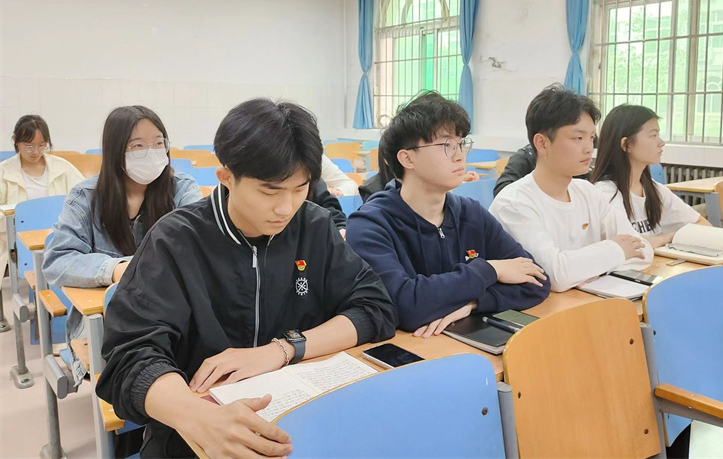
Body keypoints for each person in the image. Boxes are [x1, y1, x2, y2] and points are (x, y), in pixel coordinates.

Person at [96, 98, 396, 459]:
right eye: (270, 190)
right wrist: (199, 418)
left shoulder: (313, 226)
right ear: (226, 177)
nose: (286, 208)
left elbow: (374, 308)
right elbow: (131, 357)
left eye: (299, 189)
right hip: (197, 437)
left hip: (300, 425)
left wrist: (282, 350)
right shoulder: (175, 240)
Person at [347, 91, 549, 336]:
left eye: (461, 143)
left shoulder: (471, 213)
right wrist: (491, 270)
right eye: (446, 145)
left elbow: (537, 281)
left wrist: (474, 303)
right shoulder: (370, 225)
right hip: (412, 349)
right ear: (407, 158)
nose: (460, 155)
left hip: (464, 340)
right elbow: (405, 306)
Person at [43, 106, 202, 382]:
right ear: (116, 151)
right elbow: (57, 261)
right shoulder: (86, 197)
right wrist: (115, 269)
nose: (151, 152)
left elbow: (198, 248)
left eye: (158, 143)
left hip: (173, 313)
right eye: (138, 146)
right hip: (107, 320)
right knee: (140, 367)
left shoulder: (182, 188)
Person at [490, 85, 653, 293]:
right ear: (542, 143)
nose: (588, 148)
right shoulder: (513, 203)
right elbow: (554, 275)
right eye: (578, 138)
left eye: (591, 138)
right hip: (543, 309)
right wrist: (616, 249)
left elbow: (643, 250)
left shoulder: (588, 191)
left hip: (588, 301)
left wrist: (585, 268)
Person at [592, 104, 710, 249]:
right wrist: (668, 237)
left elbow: (703, 226)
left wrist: (660, 239)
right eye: (653, 135)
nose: (661, 143)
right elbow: (629, 244)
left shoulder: (654, 189)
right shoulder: (605, 193)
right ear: (626, 144)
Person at [0, 115, 84, 277]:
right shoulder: (3, 171)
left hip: (58, 237)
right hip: (15, 240)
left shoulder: (62, 168)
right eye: (29, 146)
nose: (35, 152)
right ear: (15, 141)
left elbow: (84, 197)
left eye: (41, 146)